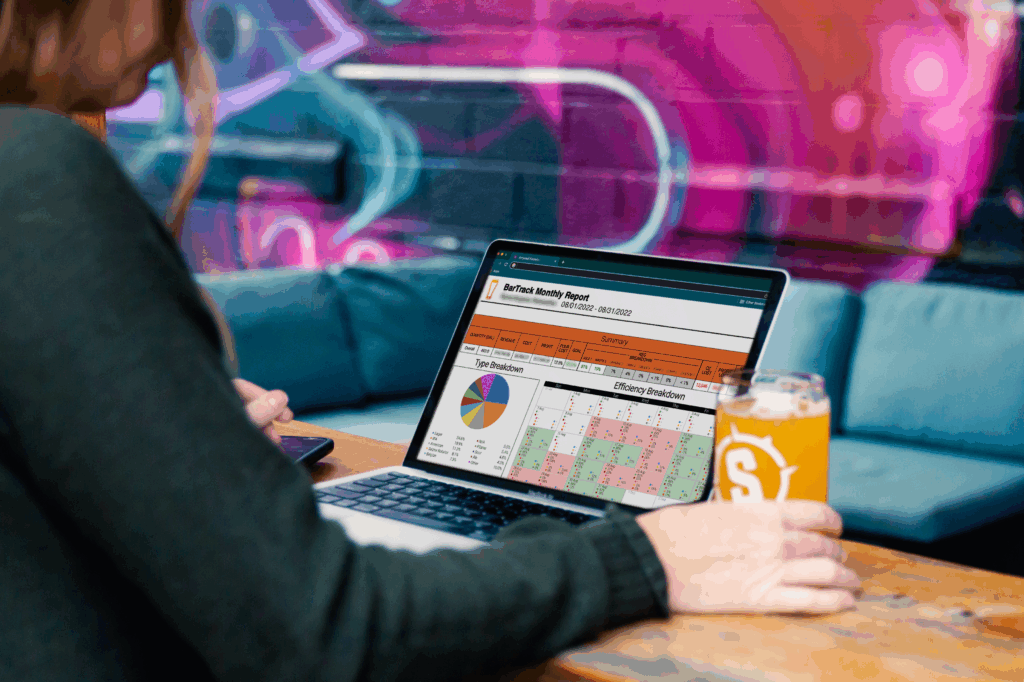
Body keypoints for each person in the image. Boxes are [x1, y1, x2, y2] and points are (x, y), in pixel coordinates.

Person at [0, 1, 860, 680]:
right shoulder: (35, 173)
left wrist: (167, 430)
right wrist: (648, 559)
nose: (185, 24)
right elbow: (319, 629)